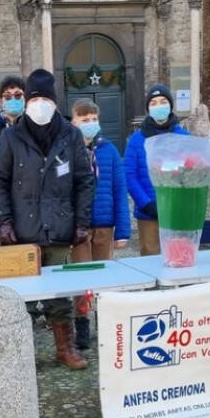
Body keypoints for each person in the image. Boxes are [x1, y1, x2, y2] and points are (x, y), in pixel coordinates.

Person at [0, 68, 94, 370]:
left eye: (46, 98)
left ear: (55, 101)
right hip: (22, 228)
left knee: (59, 294)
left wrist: (81, 222)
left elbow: (84, 181)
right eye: (35, 98)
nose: (40, 104)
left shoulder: (70, 135)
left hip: (60, 226)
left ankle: (66, 348)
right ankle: (19, 353)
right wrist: (4, 222)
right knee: (20, 295)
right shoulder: (10, 136)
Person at [69, 98, 130, 349]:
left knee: (105, 278)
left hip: (105, 225)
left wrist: (123, 229)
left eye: (94, 119)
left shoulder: (110, 151)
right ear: (74, 122)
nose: (90, 124)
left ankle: (105, 322)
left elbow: (119, 189)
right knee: (81, 279)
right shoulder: (68, 150)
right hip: (79, 228)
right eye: (85, 120)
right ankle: (82, 324)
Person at [124, 84, 189, 256]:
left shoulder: (184, 137)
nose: (158, 106)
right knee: (150, 256)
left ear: (170, 105)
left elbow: (192, 172)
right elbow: (130, 176)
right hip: (149, 211)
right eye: (153, 103)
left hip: (177, 208)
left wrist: (182, 200)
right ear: (148, 109)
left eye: (162, 102)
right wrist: (145, 203)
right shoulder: (136, 140)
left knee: (178, 255)